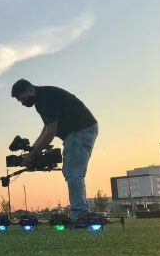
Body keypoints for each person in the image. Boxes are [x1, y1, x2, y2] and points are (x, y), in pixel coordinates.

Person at [11, 79, 98, 227]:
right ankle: (81, 212)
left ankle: (80, 215)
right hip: (79, 131)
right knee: (73, 171)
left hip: (80, 130)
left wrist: (31, 155)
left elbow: (51, 132)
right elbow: (46, 128)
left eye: (23, 99)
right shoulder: (42, 99)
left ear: (30, 90)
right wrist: (33, 149)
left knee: (72, 171)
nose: (23, 103)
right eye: (20, 101)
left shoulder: (45, 99)